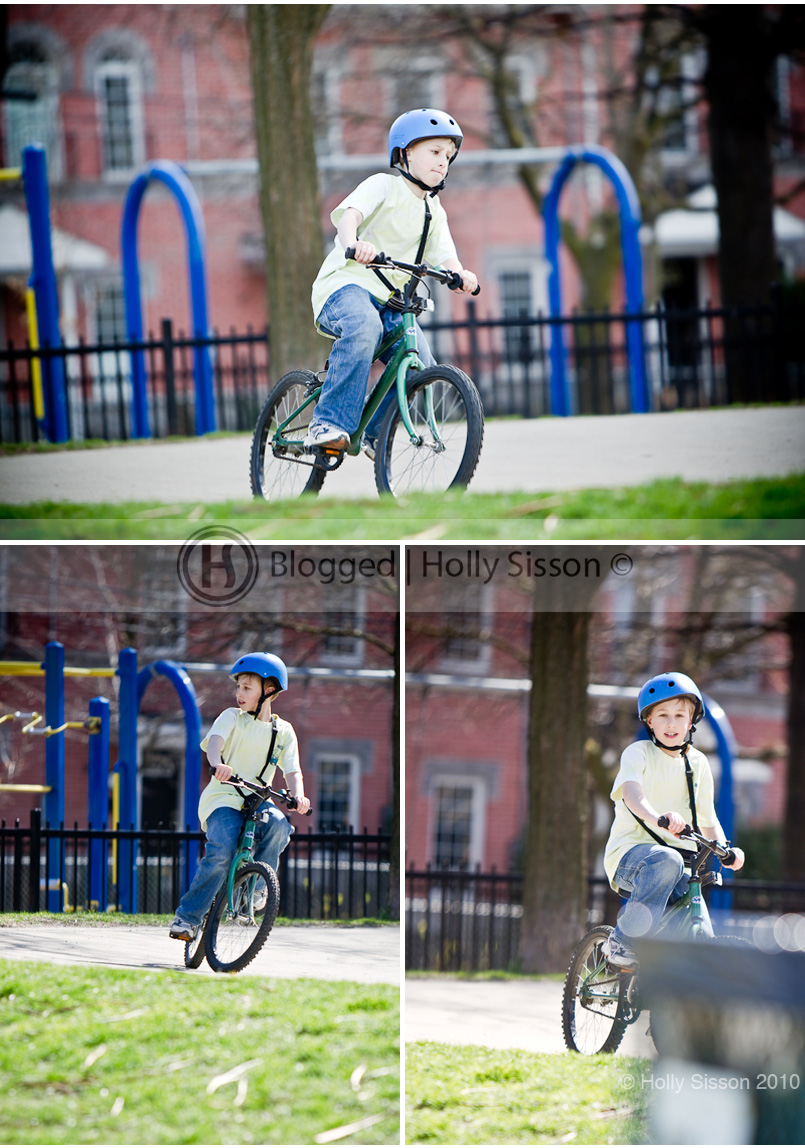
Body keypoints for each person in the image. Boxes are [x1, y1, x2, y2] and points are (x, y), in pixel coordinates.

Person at [306, 107, 479, 457]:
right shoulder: (383, 185)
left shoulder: (434, 209)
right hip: (346, 286)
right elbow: (348, 217)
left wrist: (460, 273)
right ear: (405, 153)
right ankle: (327, 423)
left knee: (420, 364)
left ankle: (374, 433)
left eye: (448, 156)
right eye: (434, 152)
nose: (443, 162)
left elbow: (445, 253)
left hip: (390, 299)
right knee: (364, 327)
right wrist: (354, 243)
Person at [602, 672, 745, 968]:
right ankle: (622, 941)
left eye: (680, 715)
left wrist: (726, 849)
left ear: (691, 722)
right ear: (649, 721)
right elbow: (631, 794)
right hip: (631, 856)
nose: (671, 723)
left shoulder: (699, 763)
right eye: (662, 715)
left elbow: (708, 818)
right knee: (666, 860)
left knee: (701, 936)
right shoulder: (637, 753)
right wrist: (658, 818)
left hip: (681, 864)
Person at [169, 652, 310, 941]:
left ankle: (257, 889)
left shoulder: (283, 731)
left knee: (280, 825)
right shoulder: (231, 717)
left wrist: (299, 796)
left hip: (259, 800)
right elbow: (215, 743)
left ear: (268, 690)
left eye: (247, 687)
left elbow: (293, 770)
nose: (239, 693)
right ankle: (187, 919)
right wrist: (217, 762)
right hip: (224, 797)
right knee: (221, 850)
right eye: (238, 687)